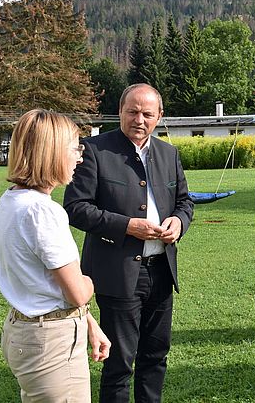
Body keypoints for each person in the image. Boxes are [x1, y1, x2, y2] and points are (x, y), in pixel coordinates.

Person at [64, 84, 194, 402]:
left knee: (155, 357)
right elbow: (76, 208)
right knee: (119, 364)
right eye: (132, 111)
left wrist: (179, 222)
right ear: (120, 111)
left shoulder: (169, 153)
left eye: (147, 114)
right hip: (117, 272)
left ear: (159, 116)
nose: (139, 119)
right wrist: (127, 227)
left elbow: (184, 202)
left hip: (161, 270)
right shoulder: (95, 150)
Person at [0, 109, 111, 402]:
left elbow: (48, 286)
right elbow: (77, 293)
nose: (80, 158)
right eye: (75, 148)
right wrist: (91, 282)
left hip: (25, 332)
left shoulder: (11, 201)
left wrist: (90, 325)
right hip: (51, 343)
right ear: (52, 153)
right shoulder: (43, 211)